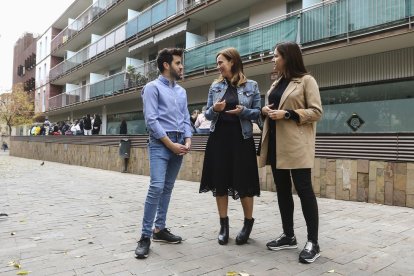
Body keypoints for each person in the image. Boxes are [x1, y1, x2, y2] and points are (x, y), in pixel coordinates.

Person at [258, 41, 323, 264]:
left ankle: (313, 242)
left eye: (276, 55)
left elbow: (316, 111)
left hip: (296, 146)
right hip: (276, 145)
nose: (273, 59)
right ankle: (288, 235)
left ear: (287, 57)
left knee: (304, 190)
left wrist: (288, 114)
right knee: (282, 191)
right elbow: (271, 109)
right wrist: (264, 110)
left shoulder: (306, 81)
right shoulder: (276, 83)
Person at [199, 47, 261, 246]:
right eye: (217, 63)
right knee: (220, 182)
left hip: (241, 140)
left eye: (220, 62)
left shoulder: (252, 86)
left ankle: (247, 223)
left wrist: (244, 111)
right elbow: (207, 115)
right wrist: (214, 110)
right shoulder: (214, 87)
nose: (218, 67)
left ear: (232, 62)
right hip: (219, 140)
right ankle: (223, 225)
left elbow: (259, 113)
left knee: (244, 183)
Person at [135, 48, 192, 259]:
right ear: (166, 65)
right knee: (156, 187)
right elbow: (151, 120)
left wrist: (187, 139)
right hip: (161, 143)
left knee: (167, 188)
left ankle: (159, 229)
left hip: (179, 143)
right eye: (178, 63)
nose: (181, 66)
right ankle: (144, 236)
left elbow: (186, 118)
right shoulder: (152, 88)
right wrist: (170, 144)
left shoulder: (182, 92)